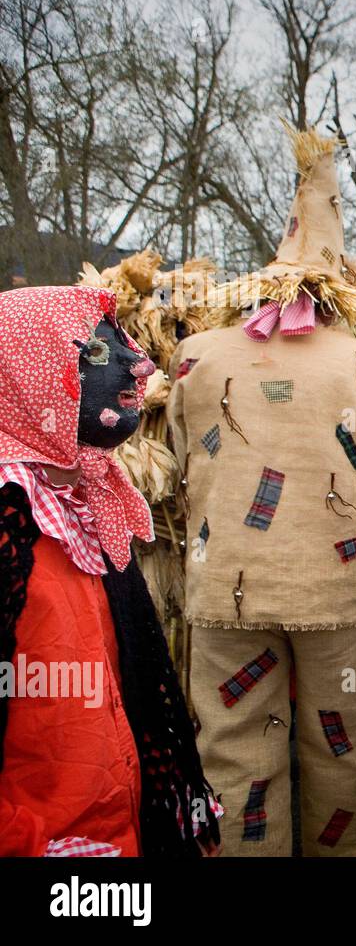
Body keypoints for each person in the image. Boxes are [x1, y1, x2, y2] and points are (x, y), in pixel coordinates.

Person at [167, 126, 356, 857]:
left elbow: (184, 470)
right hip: (332, 587)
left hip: (223, 591)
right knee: (350, 758)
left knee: (233, 757)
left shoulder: (194, 358)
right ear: (341, 284)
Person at [0, 284, 222, 857]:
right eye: (96, 353)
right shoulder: (9, 525)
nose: (139, 362)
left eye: (123, 344)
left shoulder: (91, 502)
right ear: (31, 379)